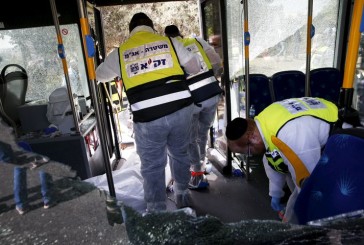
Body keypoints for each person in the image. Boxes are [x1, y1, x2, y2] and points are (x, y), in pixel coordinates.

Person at [95, 13, 201, 212]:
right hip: (180, 110)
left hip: (148, 117)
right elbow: (194, 67)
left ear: (131, 30)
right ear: (152, 28)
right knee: (179, 153)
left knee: (152, 165)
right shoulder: (169, 42)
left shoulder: (121, 52)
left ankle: (156, 210)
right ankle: (182, 195)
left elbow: (100, 75)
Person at [225, 97, 338, 223]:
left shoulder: (291, 136)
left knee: (305, 191)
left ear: (252, 138)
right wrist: (275, 194)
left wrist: (293, 215)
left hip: (344, 136)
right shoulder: (264, 123)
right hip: (311, 135)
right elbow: (271, 160)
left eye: (248, 152)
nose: (250, 155)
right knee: (290, 170)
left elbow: (308, 184)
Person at [164, 25, 223, 189]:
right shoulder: (196, 41)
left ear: (167, 37)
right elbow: (216, 61)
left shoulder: (169, 50)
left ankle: (196, 172)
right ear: (180, 33)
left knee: (190, 138)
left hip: (191, 101)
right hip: (211, 94)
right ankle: (202, 164)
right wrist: (212, 79)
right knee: (202, 132)